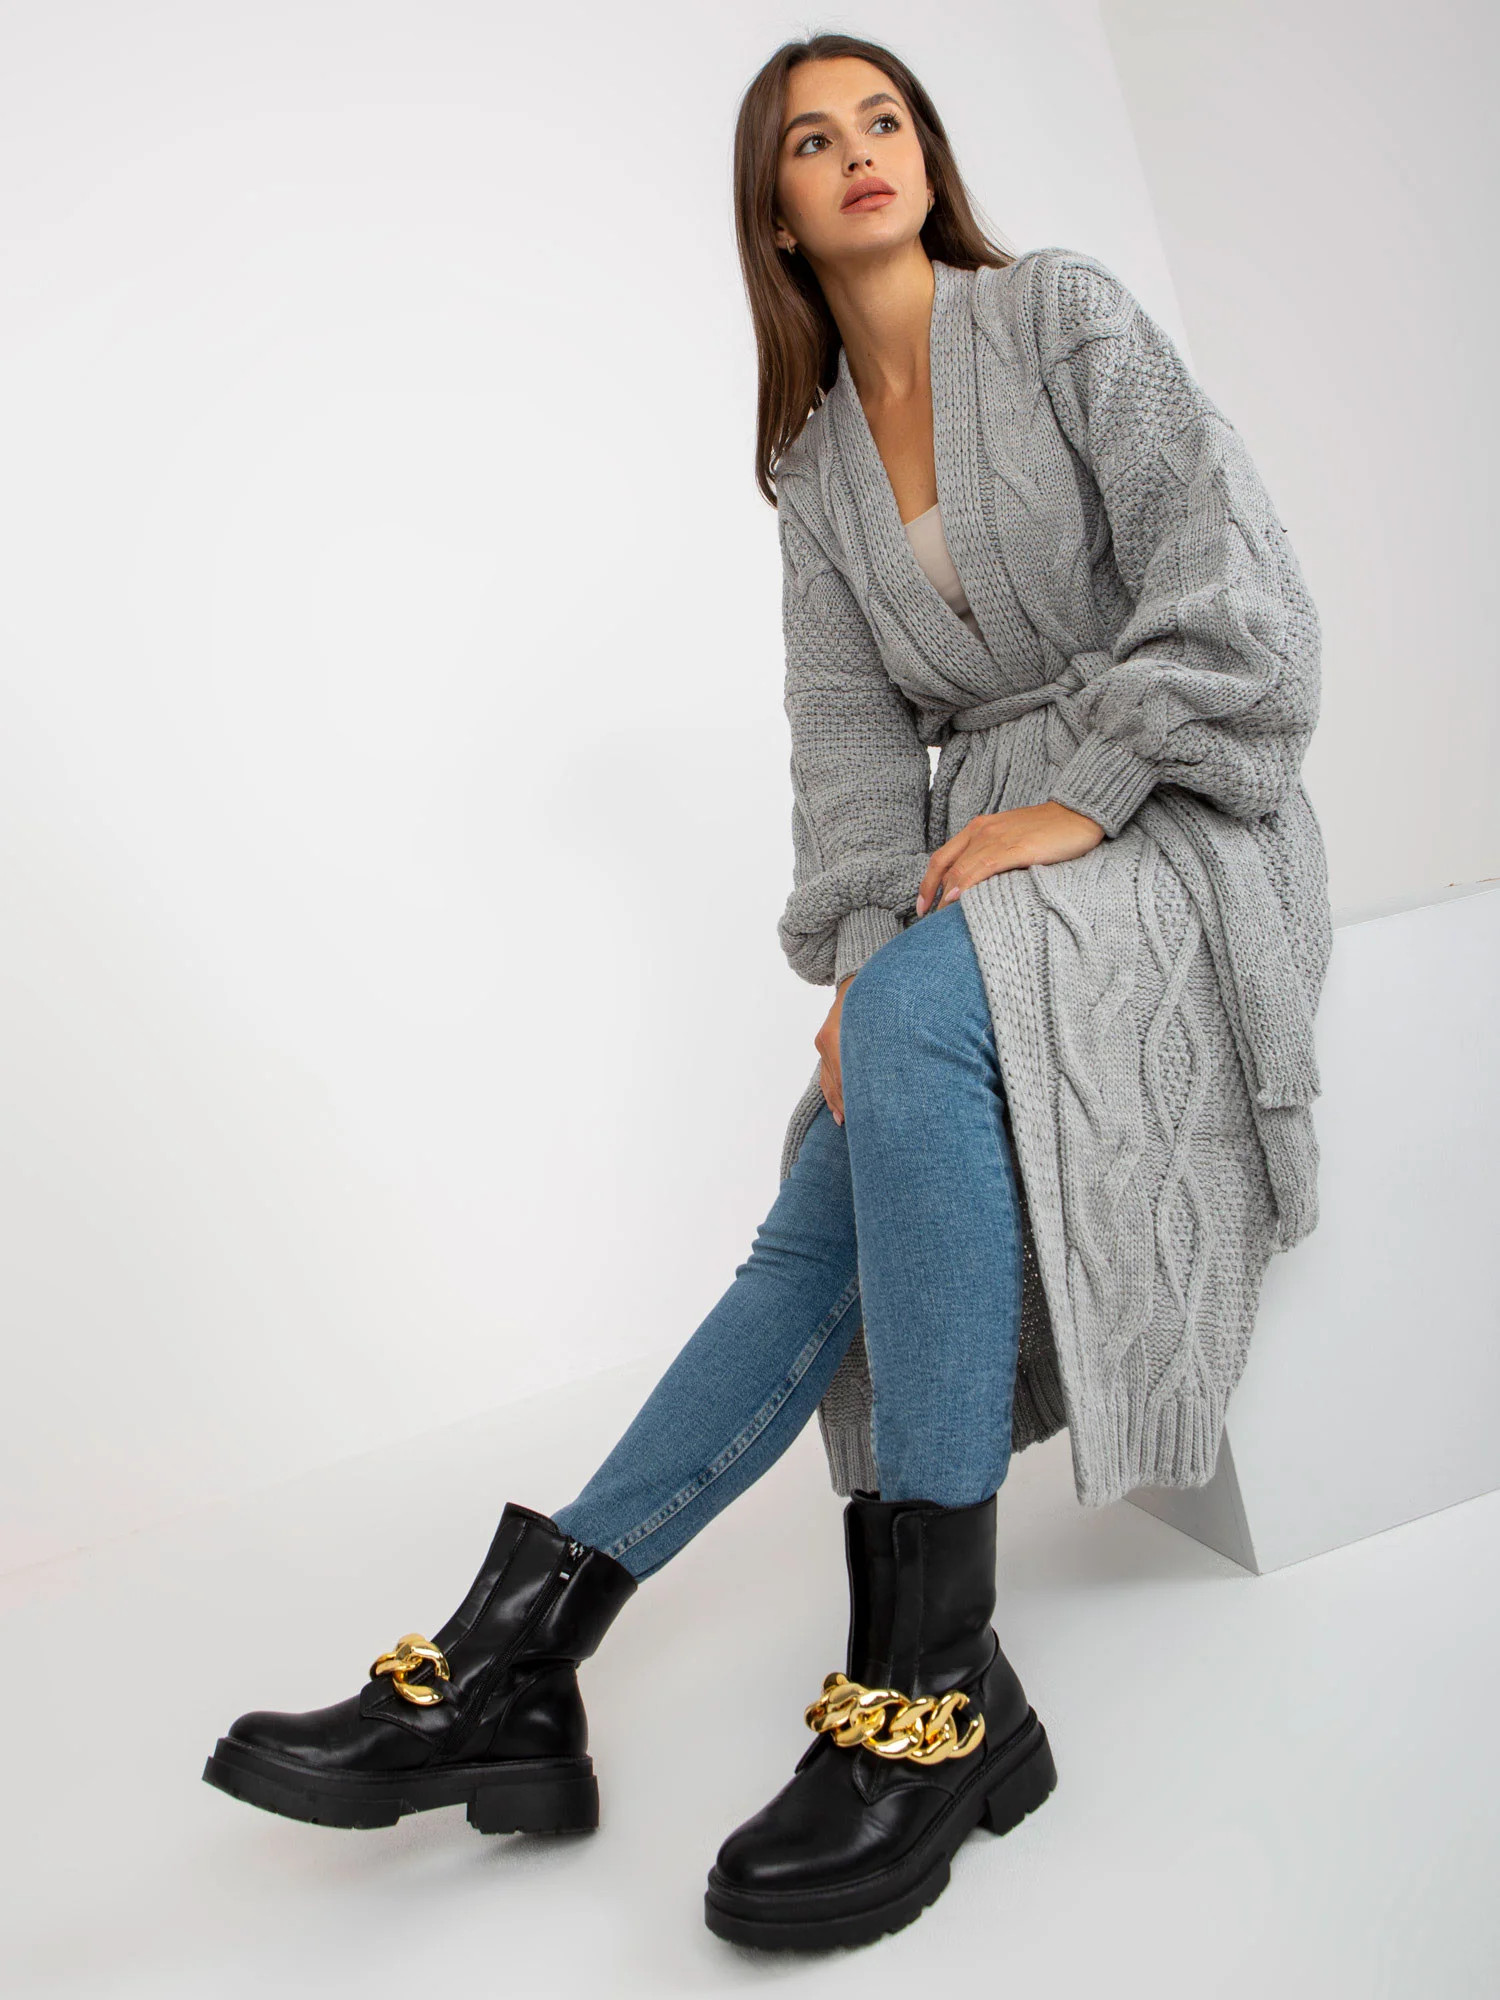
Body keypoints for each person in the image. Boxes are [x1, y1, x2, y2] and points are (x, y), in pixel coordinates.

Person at [201, 30, 1332, 1955]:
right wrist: (880, 959)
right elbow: (853, 771)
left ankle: (892, 1685)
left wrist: (1082, 795)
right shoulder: (812, 477)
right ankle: (541, 1654)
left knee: (895, 1054)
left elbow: (1239, 595)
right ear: (780, 211)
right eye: (817, 139)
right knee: (838, 1158)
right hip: (983, 877)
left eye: (886, 120)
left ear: (928, 158)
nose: (861, 151)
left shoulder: (1061, 318)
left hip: (1181, 825)